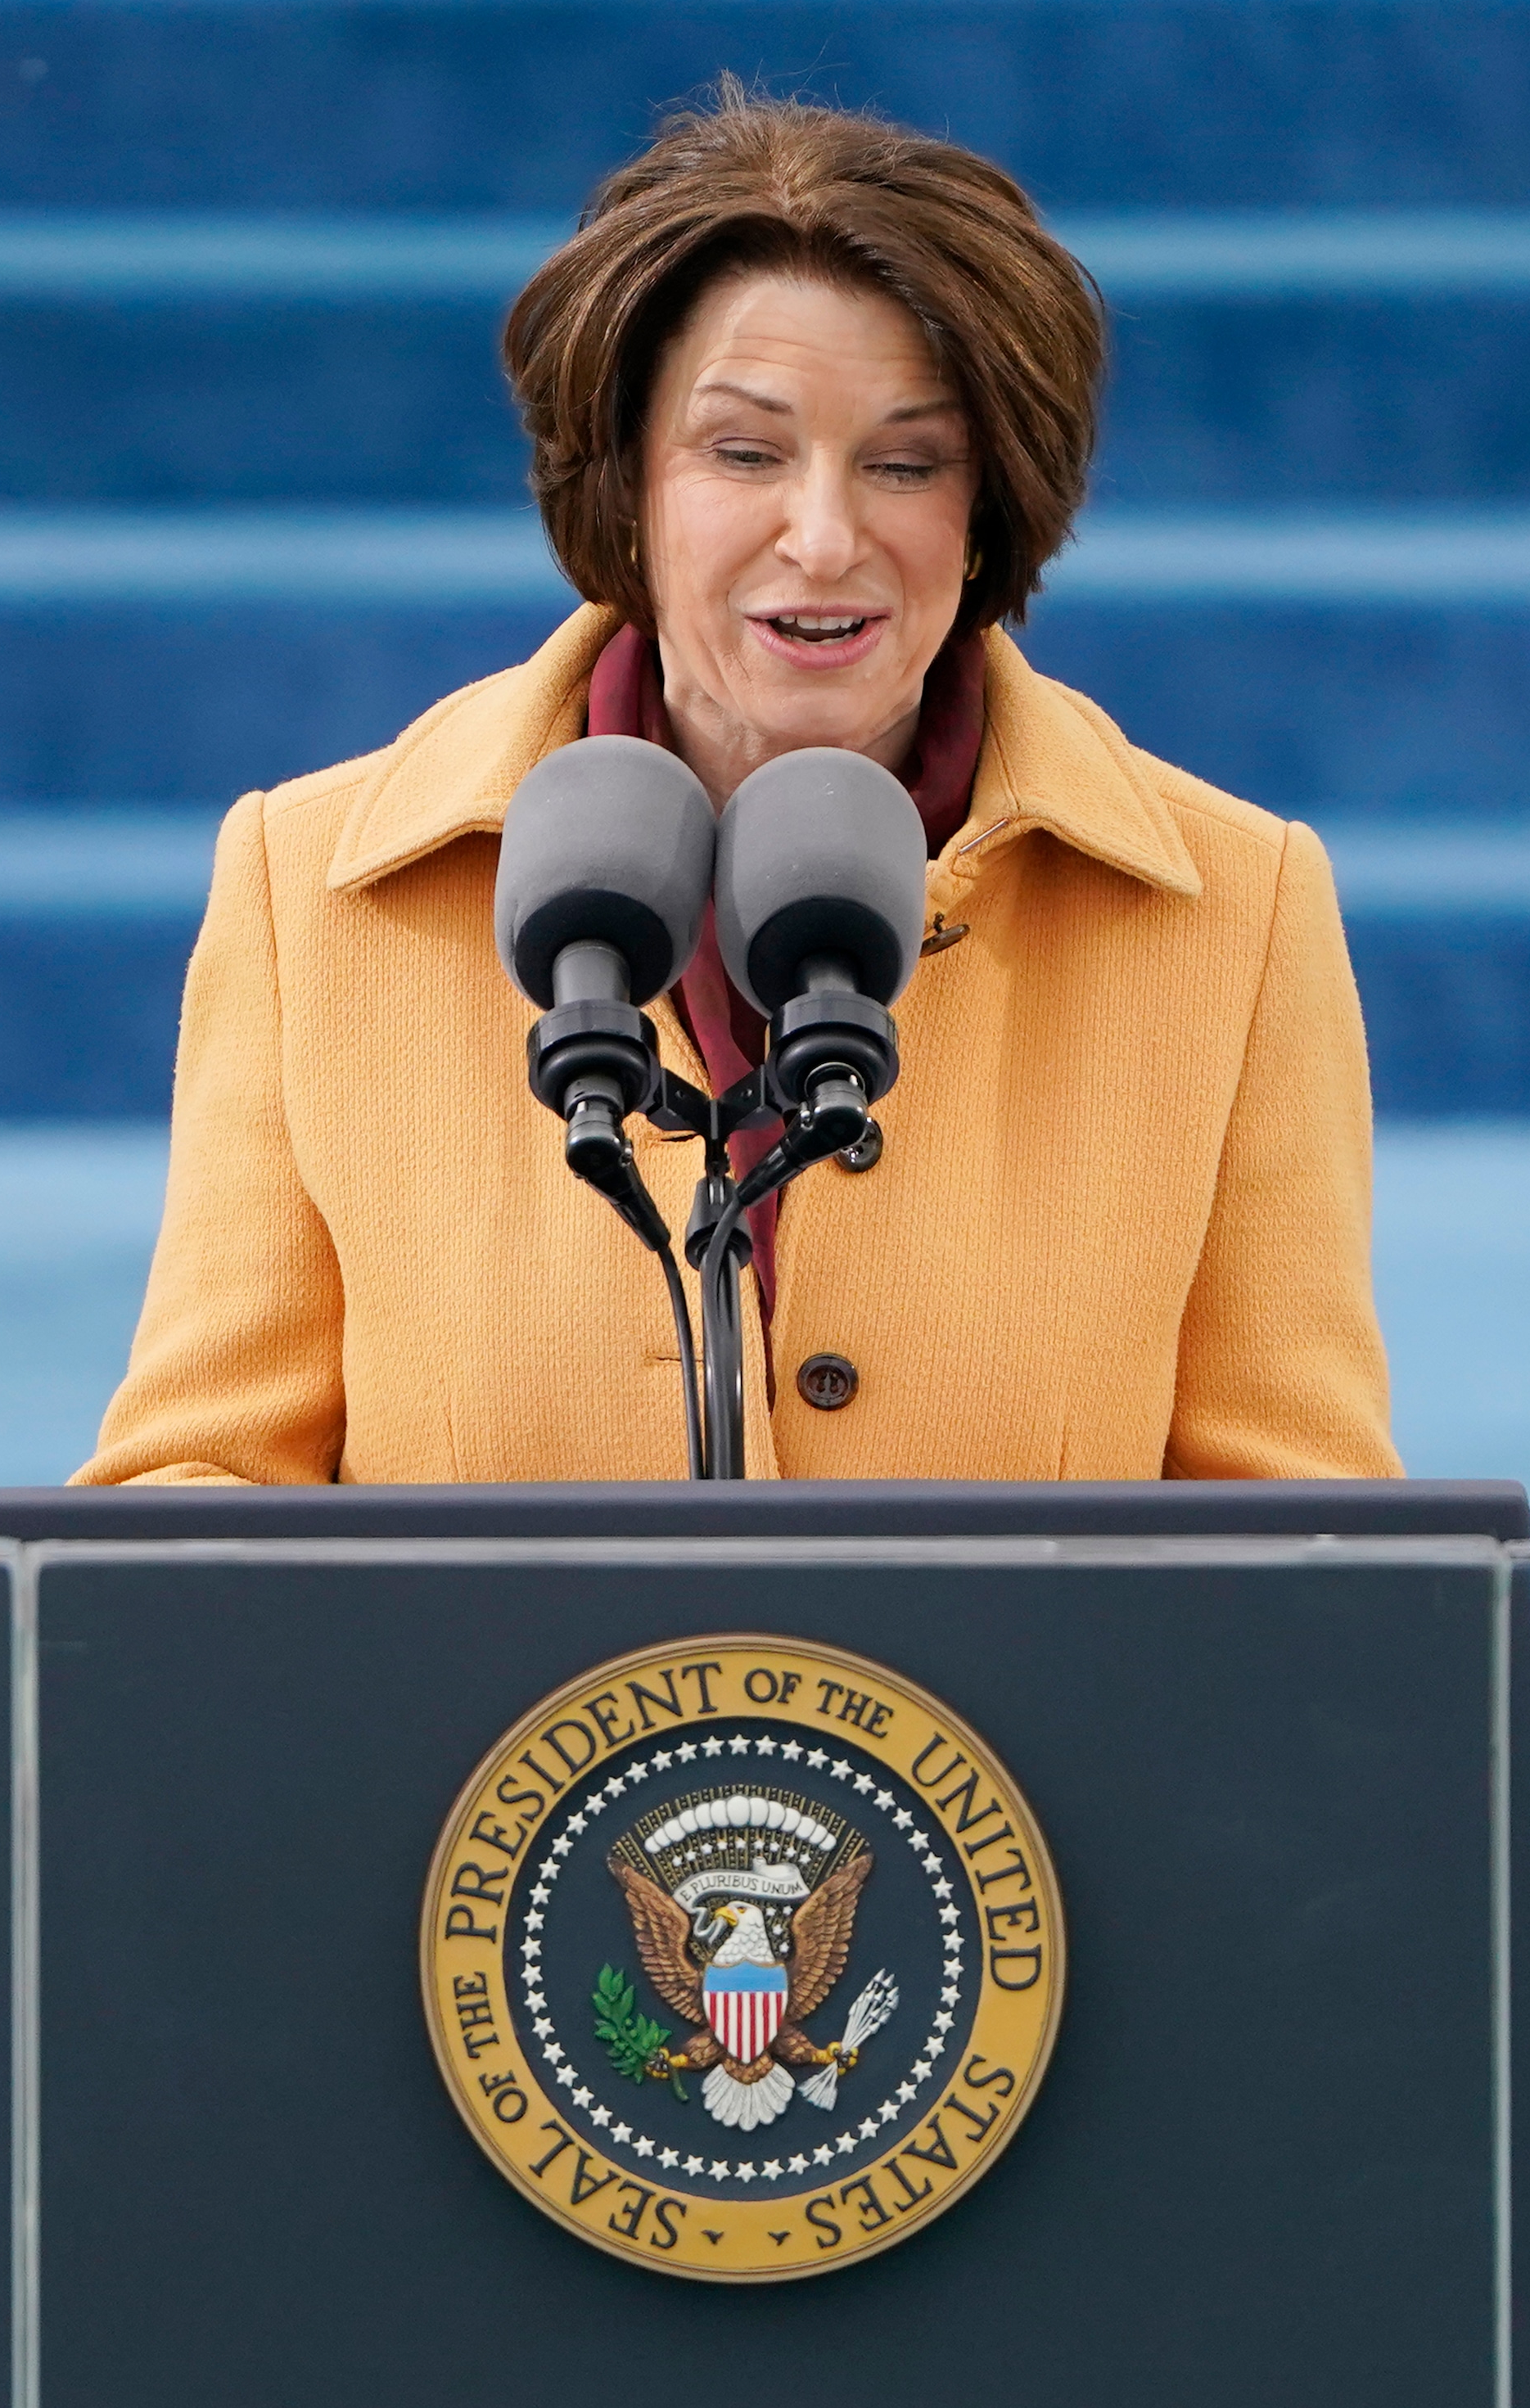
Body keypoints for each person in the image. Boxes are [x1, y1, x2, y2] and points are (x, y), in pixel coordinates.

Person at [80, 88, 1394, 1486]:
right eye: (745, 452)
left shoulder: (1236, 916)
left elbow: (1305, 1562)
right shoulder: (311, 889)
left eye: (907, 463)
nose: (824, 539)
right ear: (626, 482)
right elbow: (194, 1503)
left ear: (992, 502)